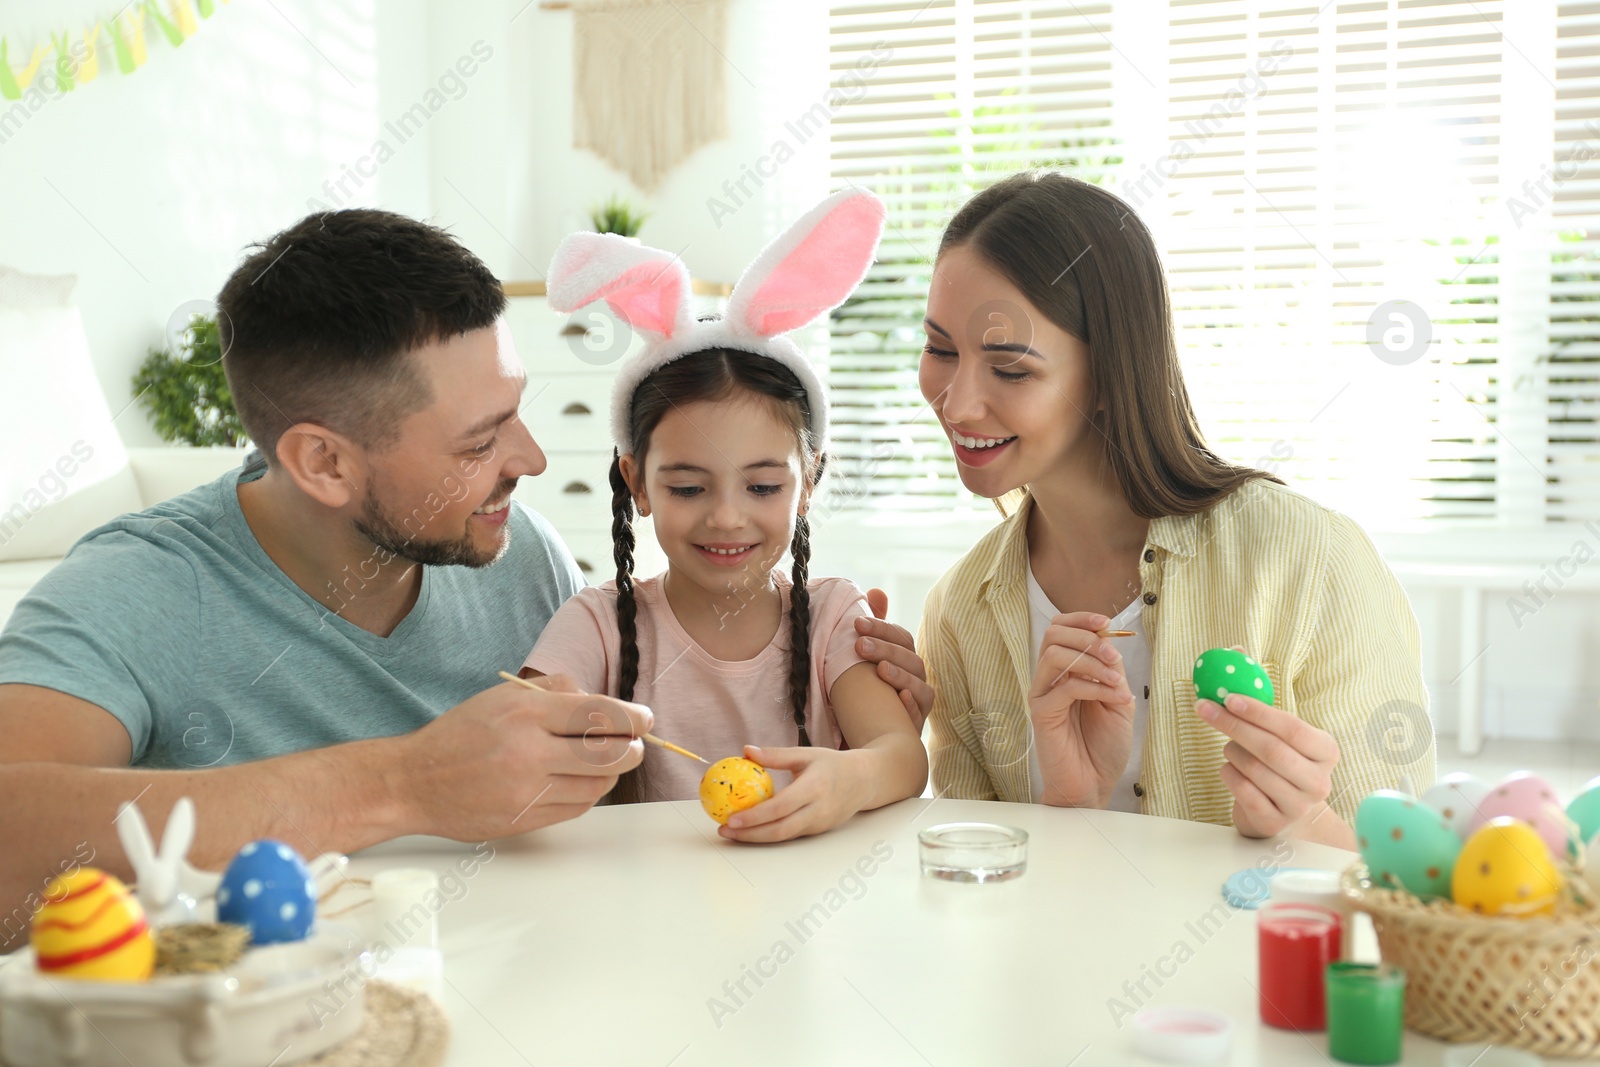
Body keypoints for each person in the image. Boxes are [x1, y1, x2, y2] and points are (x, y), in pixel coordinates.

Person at [0, 208, 932, 941]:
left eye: (516, 411)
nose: (530, 460)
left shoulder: (513, 551)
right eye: (482, 438)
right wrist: (401, 784)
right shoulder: (137, 592)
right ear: (324, 463)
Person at [917, 171, 1434, 848]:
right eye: (939, 349)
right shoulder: (959, 614)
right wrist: (1073, 805)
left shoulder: (1311, 559)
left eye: (1010, 369)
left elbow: (1412, 894)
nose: (956, 404)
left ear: (1110, 375)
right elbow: (985, 911)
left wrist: (1297, 822)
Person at [523, 189, 928, 841]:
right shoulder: (597, 625)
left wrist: (850, 780)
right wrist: (550, 735)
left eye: (763, 486)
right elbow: (521, 729)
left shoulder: (831, 617)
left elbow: (902, 756)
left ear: (810, 479)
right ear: (638, 483)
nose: (727, 518)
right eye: (688, 488)